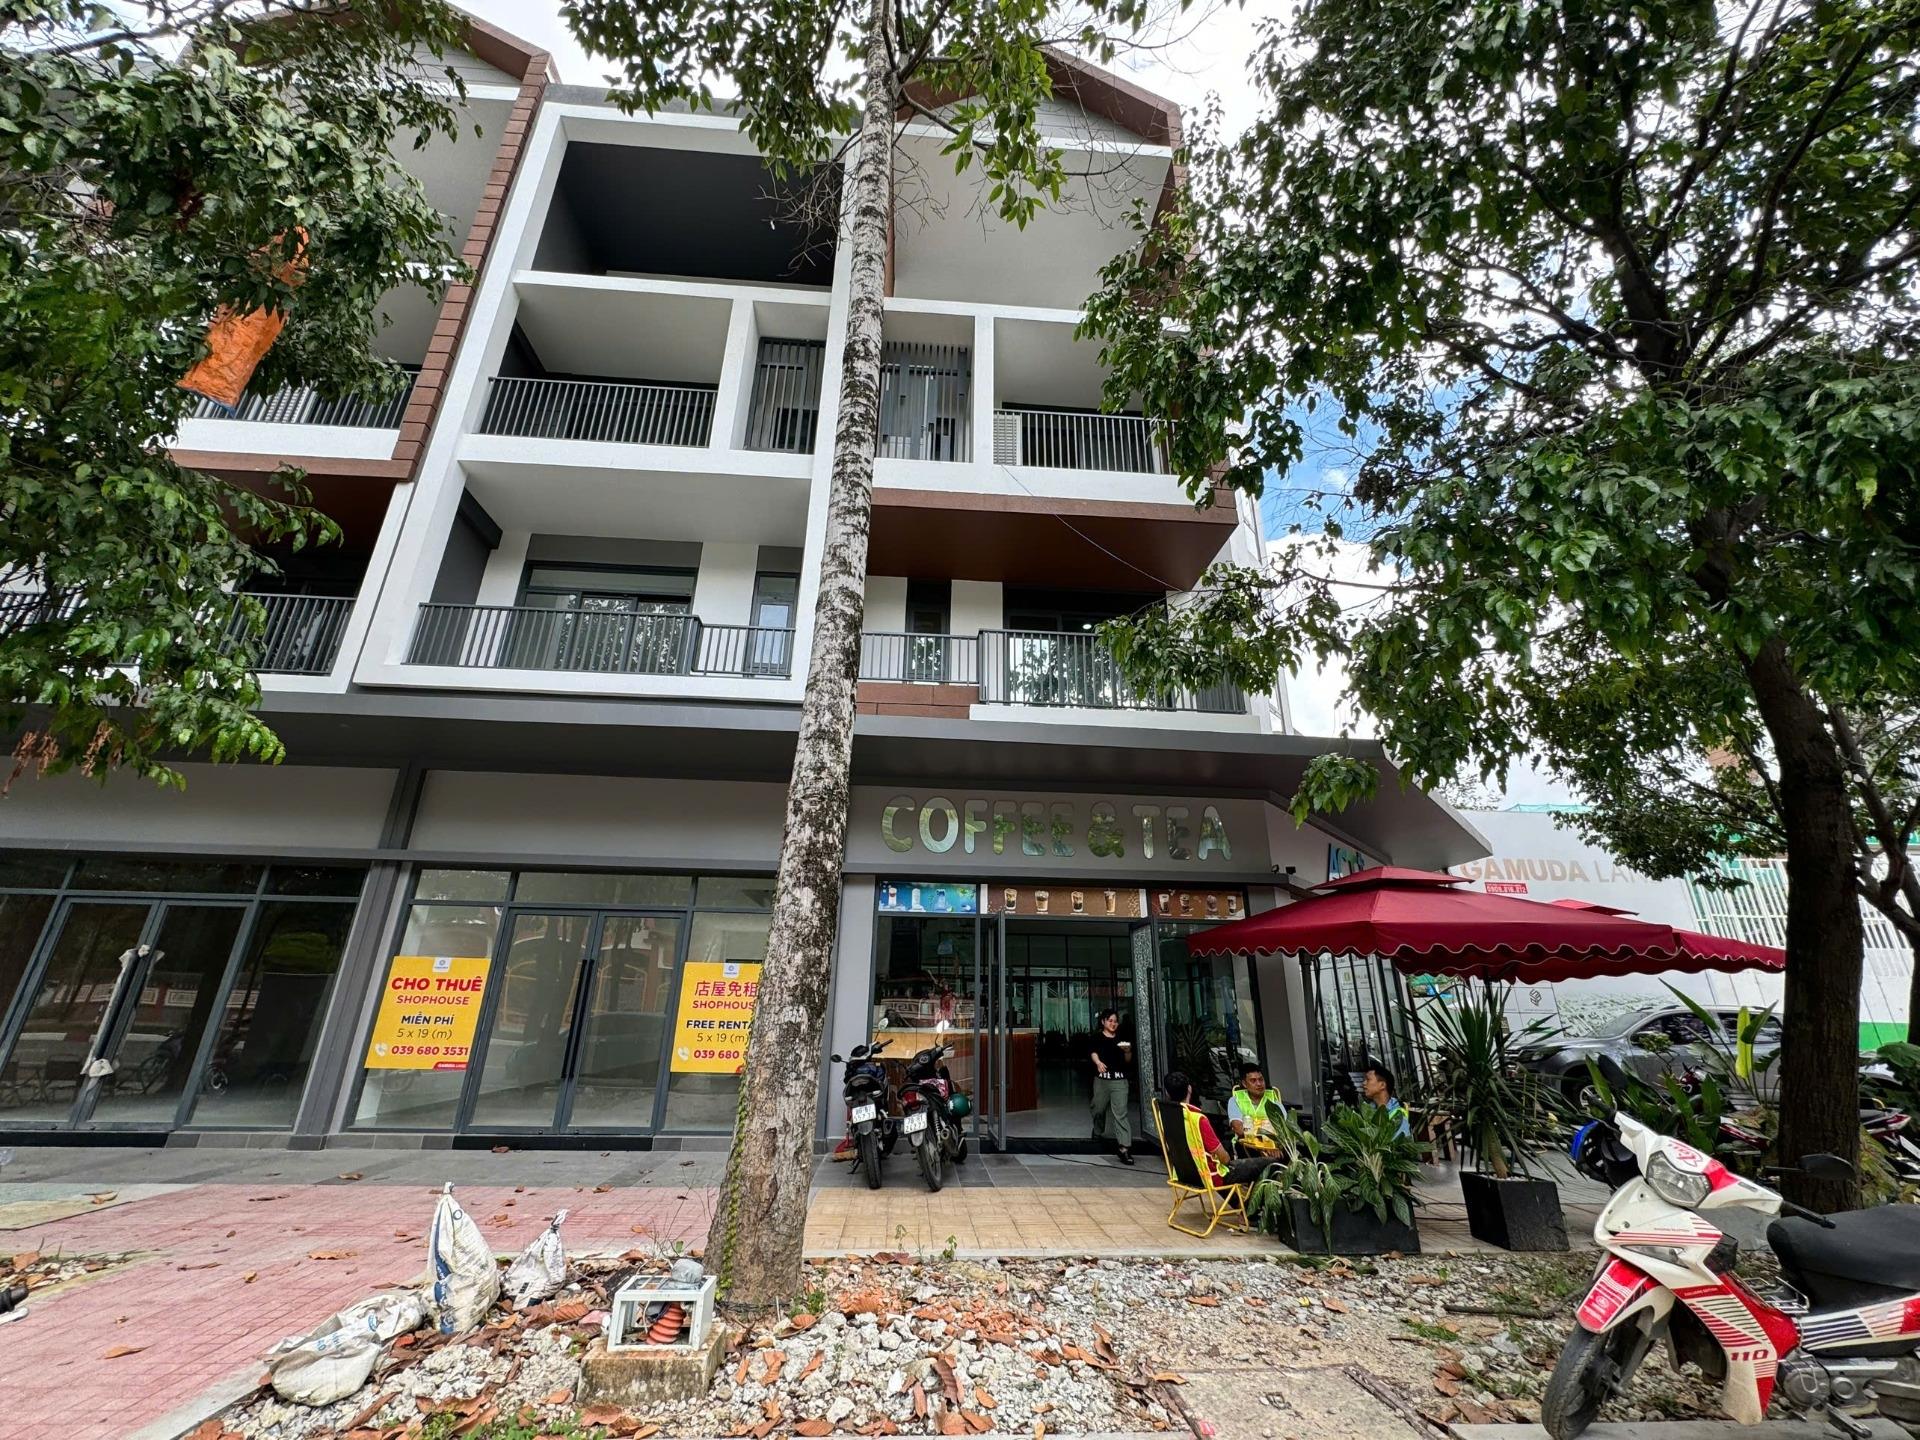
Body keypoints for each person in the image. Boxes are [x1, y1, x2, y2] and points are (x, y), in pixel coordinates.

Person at [1161, 1071, 1273, 1188]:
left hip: (1183, 1176)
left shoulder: (1166, 1117)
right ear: (1189, 1089)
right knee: (1270, 1163)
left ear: (1167, 1093)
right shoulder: (1198, 1119)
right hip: (1211, 1177)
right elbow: (1224, 1158)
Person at [1088, 1007, 1134, 1165]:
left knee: (1120, 1113)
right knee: (1098, 1108)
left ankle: (1124, 1148)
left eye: (1115, 1021)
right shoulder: (1097, 1037)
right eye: (1110, 1021)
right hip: (1102, 1080)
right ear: (1103, 1022)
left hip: (1119, 1080)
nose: (1113, 1024)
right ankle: (1097, 1130)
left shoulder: (1122, 1038)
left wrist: (1127, 1052)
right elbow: (1093, 1052)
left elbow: (1128, 1060)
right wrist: (1098, 1062)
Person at [1226, 1063, 1286, 1147]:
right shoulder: (1236, 1100)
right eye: (1253, 1080)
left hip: (1273, 1144)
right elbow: (1239, 1129)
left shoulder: (1273, 1100)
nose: (1259, 1084)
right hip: (1246, 1144)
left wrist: (1269, 1144)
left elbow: (1284, 1128)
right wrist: (1263, 1139)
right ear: (1244, 1084)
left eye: (1261, 1080)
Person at [1362, 1063, 1412, 1139]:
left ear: (1382, 1085)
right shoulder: (1368, 1109)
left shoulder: (1398, 1114)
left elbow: (1399, 1144)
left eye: (1368, 1079)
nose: (1363, 1083)